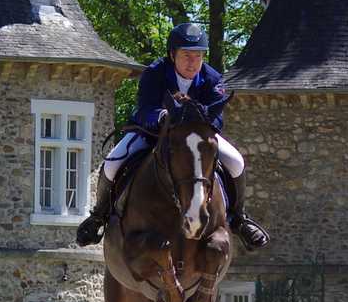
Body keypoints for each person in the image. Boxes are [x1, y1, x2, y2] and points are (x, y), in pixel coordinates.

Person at [75, 22, 270, 251]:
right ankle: (99, 216)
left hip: (196, 139)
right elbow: (144, 108)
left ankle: (238, 218)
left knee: (237, 161)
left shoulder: (213, 78)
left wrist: (198, 115)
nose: (192, 62)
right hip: (153, 135)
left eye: (198, 56)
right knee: (111, 163)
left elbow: (217, 119)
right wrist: (162, 116)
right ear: (172, 54)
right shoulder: (154, 73)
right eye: (186, 55)